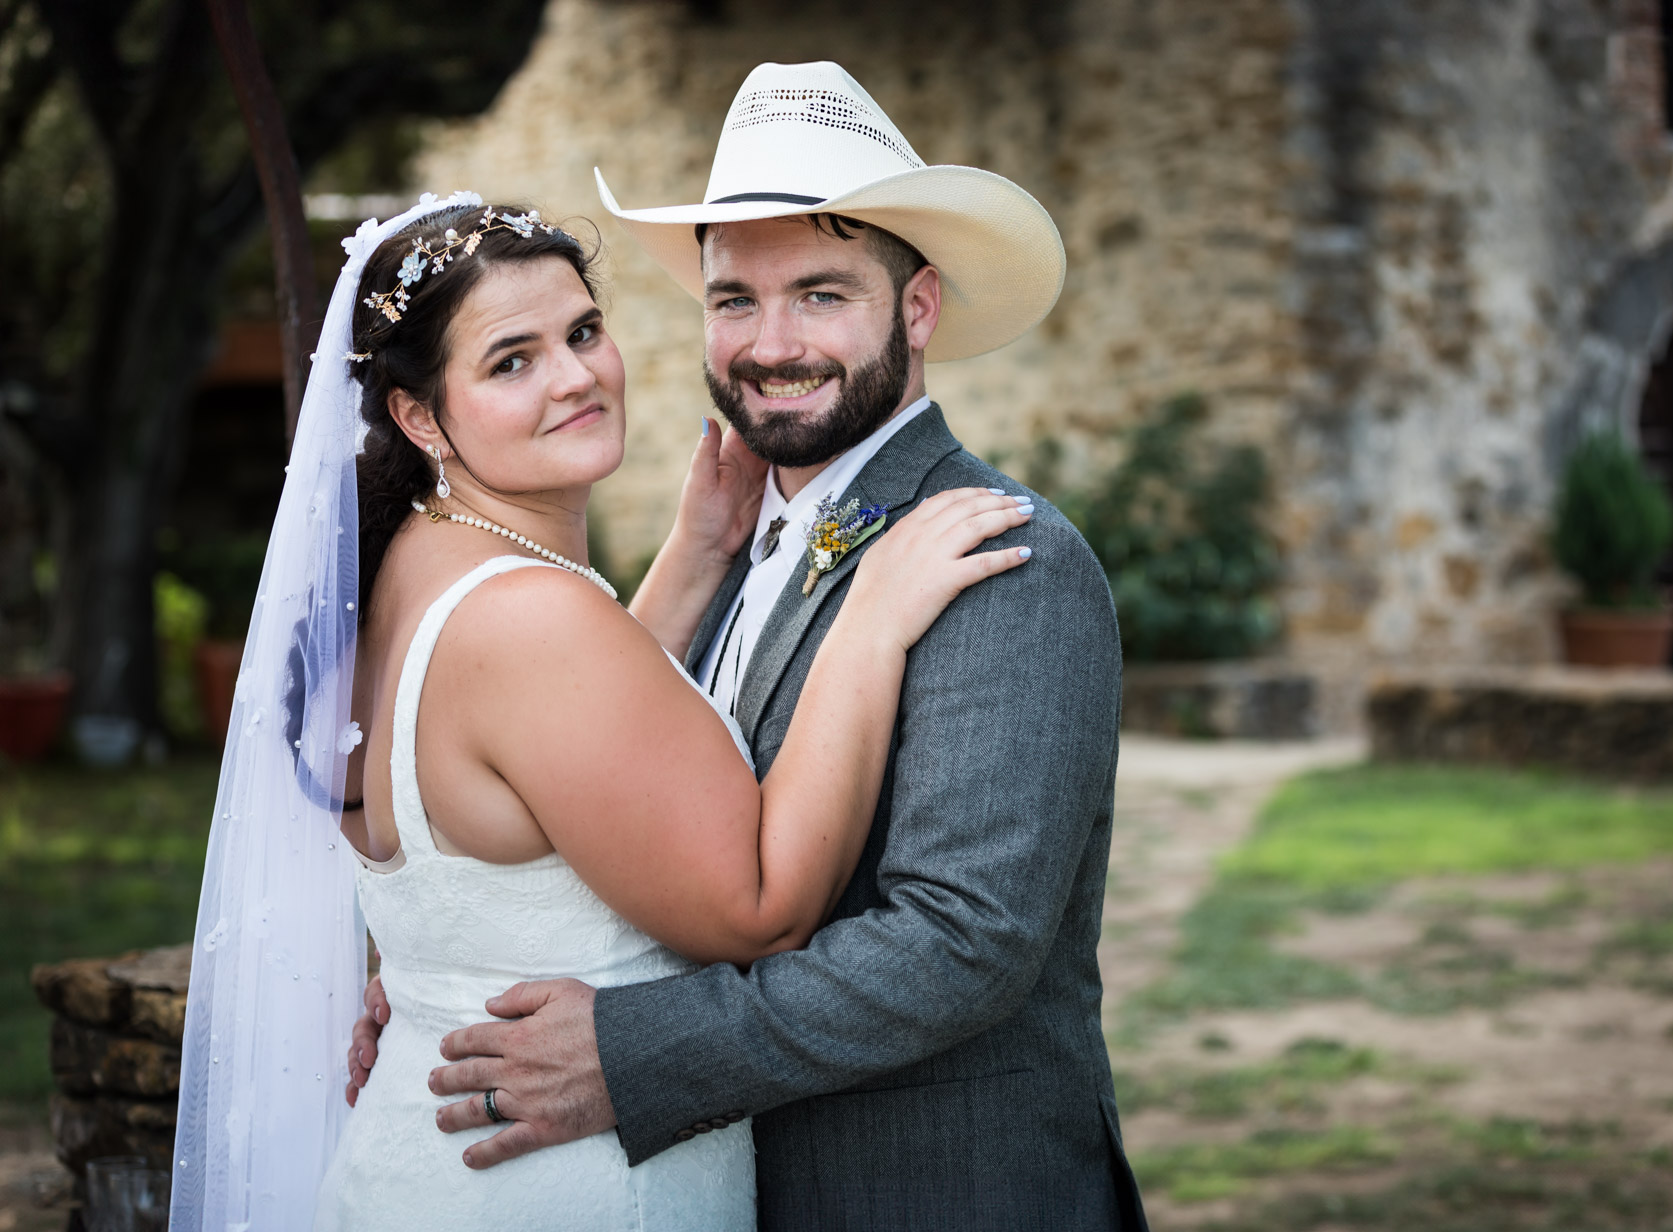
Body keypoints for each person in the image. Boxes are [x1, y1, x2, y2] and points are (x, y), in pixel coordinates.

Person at [351, 62, 1149, 1228]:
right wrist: (436, 970)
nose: (772, 343)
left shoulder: (999, 560)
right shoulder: (721, 541)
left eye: (822, 293)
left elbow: (960, 941)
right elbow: (607, 802)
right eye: (735, 300)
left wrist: (626, 1052)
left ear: (917, 308)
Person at [169, 190, 1030, 1232]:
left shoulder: (406, 571)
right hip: (568, 1185)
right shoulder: (530, 620)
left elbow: (562, 760)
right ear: (417, 413)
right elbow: (760, 904)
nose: (576, 375)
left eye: (582, 331)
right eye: (511, 359)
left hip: (420, 1157)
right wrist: (871, 619)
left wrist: (695, 556)